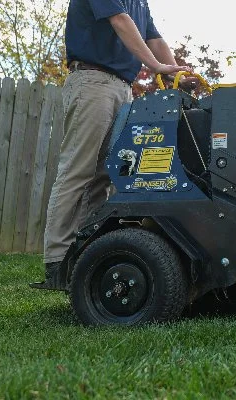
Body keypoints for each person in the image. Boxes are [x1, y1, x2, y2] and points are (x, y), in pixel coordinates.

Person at [39, 0, 191, 286]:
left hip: (123, 88)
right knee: (78, 170)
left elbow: (154, 38)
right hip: (92, 81)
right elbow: (120, 21)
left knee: (105, 175)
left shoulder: (140, 3)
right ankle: (57, 259)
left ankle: (84, 253)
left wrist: (173, 72)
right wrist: (156, 66)